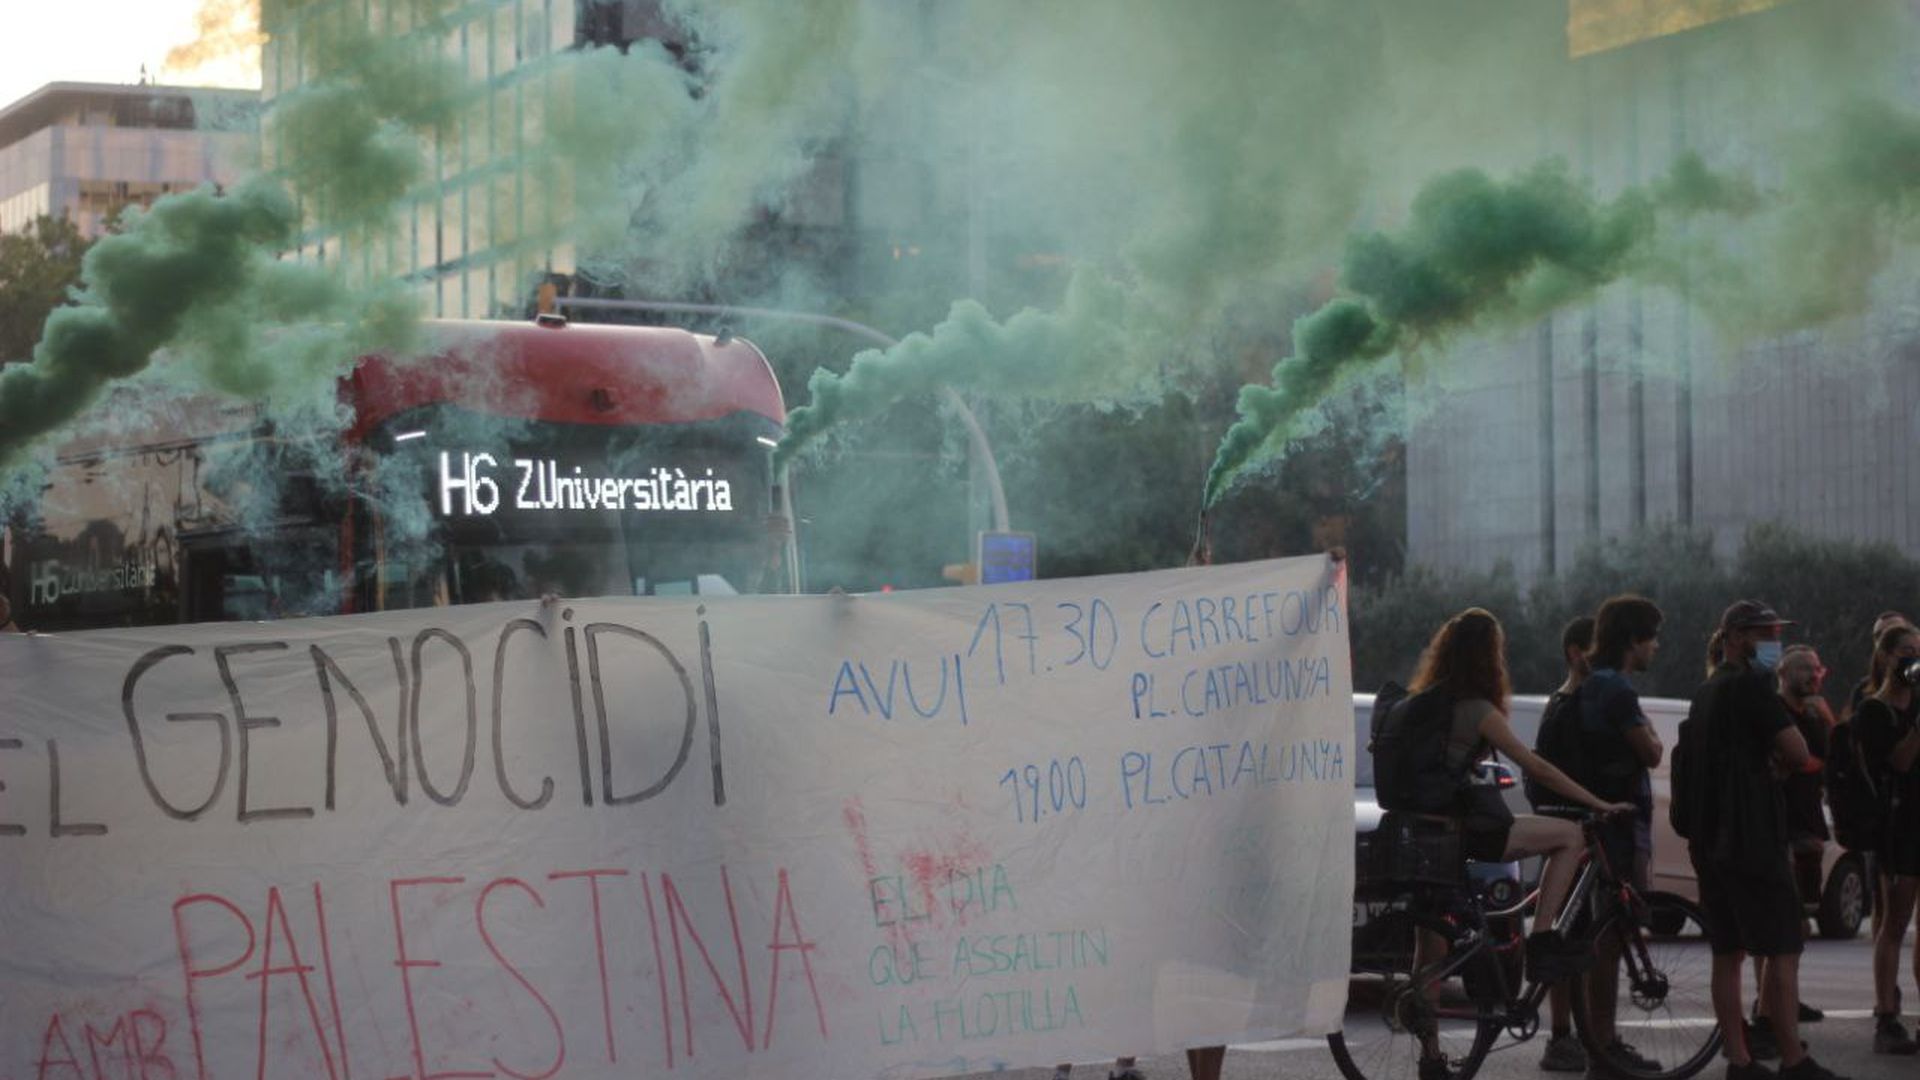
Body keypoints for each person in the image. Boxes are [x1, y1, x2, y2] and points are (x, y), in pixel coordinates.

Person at [1402, 609, 1633, 987]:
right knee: (1569, 835)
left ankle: (1427, 1040)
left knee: (1431, 947)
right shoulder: (1477, 710)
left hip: (1427, 835)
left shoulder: (1428, 702)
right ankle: (1541, 939)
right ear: (1487, 655)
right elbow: (1535, 767)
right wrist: (1598, 804)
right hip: (1466, 830)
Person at [1679, 600, 1842, 1080]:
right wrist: (1779, 760)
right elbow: (1798, 749)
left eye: (1774, 633)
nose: (1771, 643)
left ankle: (1740, 1060)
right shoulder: (1752, 689)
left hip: (1710, 840)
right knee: (1783, 948)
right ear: (1732, 635)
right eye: (1762, 633)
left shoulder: (1705, 692)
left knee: (1727, 952)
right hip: (1753, 837)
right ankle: (1793, 1058)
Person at [1568, 596, 1665, 1078]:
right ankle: (1603, 1049)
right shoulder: (1618, 691)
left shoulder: (1590, 684)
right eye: (1652, 637)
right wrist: (1649, 730)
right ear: (1633, 640)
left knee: (1602, 938)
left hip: (1597, 820)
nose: (1656, 647)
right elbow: (1651, 753)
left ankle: (1597, 1046)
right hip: (1619, 826)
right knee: (1610, 939)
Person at [1532, 615, 1596, 1074]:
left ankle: (1567, 1034)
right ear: (1576, 652)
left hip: (1560, 832)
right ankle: (1564, 1036)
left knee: (1568, 933)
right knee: (1567, 935)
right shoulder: (1573, 705)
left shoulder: (1558, 701)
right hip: (1572, 834)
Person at [1856, 622, 1920, 1056]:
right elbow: (1898, 762)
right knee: (1894, 924)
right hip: (1900, 826)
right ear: (1885, 656)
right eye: (1906, 651)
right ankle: (1886, 1014)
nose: (1913, 659)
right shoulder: (1874, 710)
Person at [1759, 645, 1830, 1026]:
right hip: (1778, 826)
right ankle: (1767, 1010)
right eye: (1804, 668)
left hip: (1807, 825)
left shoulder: (1815, 715)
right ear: (1783, 672)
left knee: (1797, 925)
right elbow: (1798, 760)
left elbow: (1826, 759)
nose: (1812, 675)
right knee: (1780, 927)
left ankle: (1786, 1000)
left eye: (1816, 669)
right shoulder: (1774, 712)